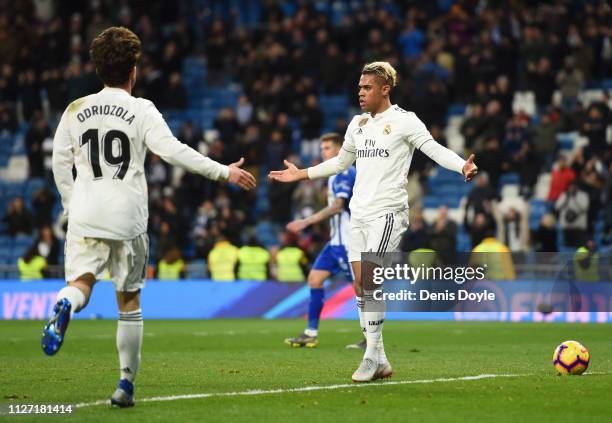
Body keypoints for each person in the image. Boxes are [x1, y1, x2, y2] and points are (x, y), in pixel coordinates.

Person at [42, 27, 256, 408]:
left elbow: (60, 162)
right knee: (129, 301)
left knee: (81, 283)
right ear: (133, 71)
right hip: (127, 217)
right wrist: (224, 171)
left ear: (97, 69)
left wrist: (71, 203)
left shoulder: (75, 110)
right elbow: (173, 152)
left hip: (85, 212)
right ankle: (125, 384)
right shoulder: (141, 110)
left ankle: (65, 304)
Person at [269, 61, 477, 382]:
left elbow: (432, 148)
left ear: (384, 89)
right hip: (359, 215)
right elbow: (340, 162)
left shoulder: (405, 121)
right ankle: (381, 359)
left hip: (388, 213)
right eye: (359, 88)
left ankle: (369, 356)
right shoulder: (358, 124)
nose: (361, 93)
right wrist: (302, 174)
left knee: (369, 279)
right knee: (362, 287)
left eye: (367, 88)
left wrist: (462, 164)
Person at [283, 132, 361, 349]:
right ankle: (310, 332)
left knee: (360, 288)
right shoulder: (332, 174)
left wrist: (306, 221)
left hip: (349, 243)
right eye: (322, 148)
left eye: (327, 148)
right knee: (315, 279)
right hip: (335, 243)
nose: (323, 152)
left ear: (339, 149)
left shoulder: (345, 172)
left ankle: (372, 338)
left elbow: (337, 206)